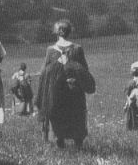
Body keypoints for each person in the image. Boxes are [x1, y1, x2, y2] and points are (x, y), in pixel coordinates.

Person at [35, 19, 95, 149]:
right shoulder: (77, 49)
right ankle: (78, 144)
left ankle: (59, 142)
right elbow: (84, 70)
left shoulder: (50, 50)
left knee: (58, 115)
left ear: (57, 32)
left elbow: (44, 72)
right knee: (76, 114)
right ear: (69, 32)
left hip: (56, 91)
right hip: (74, 89)